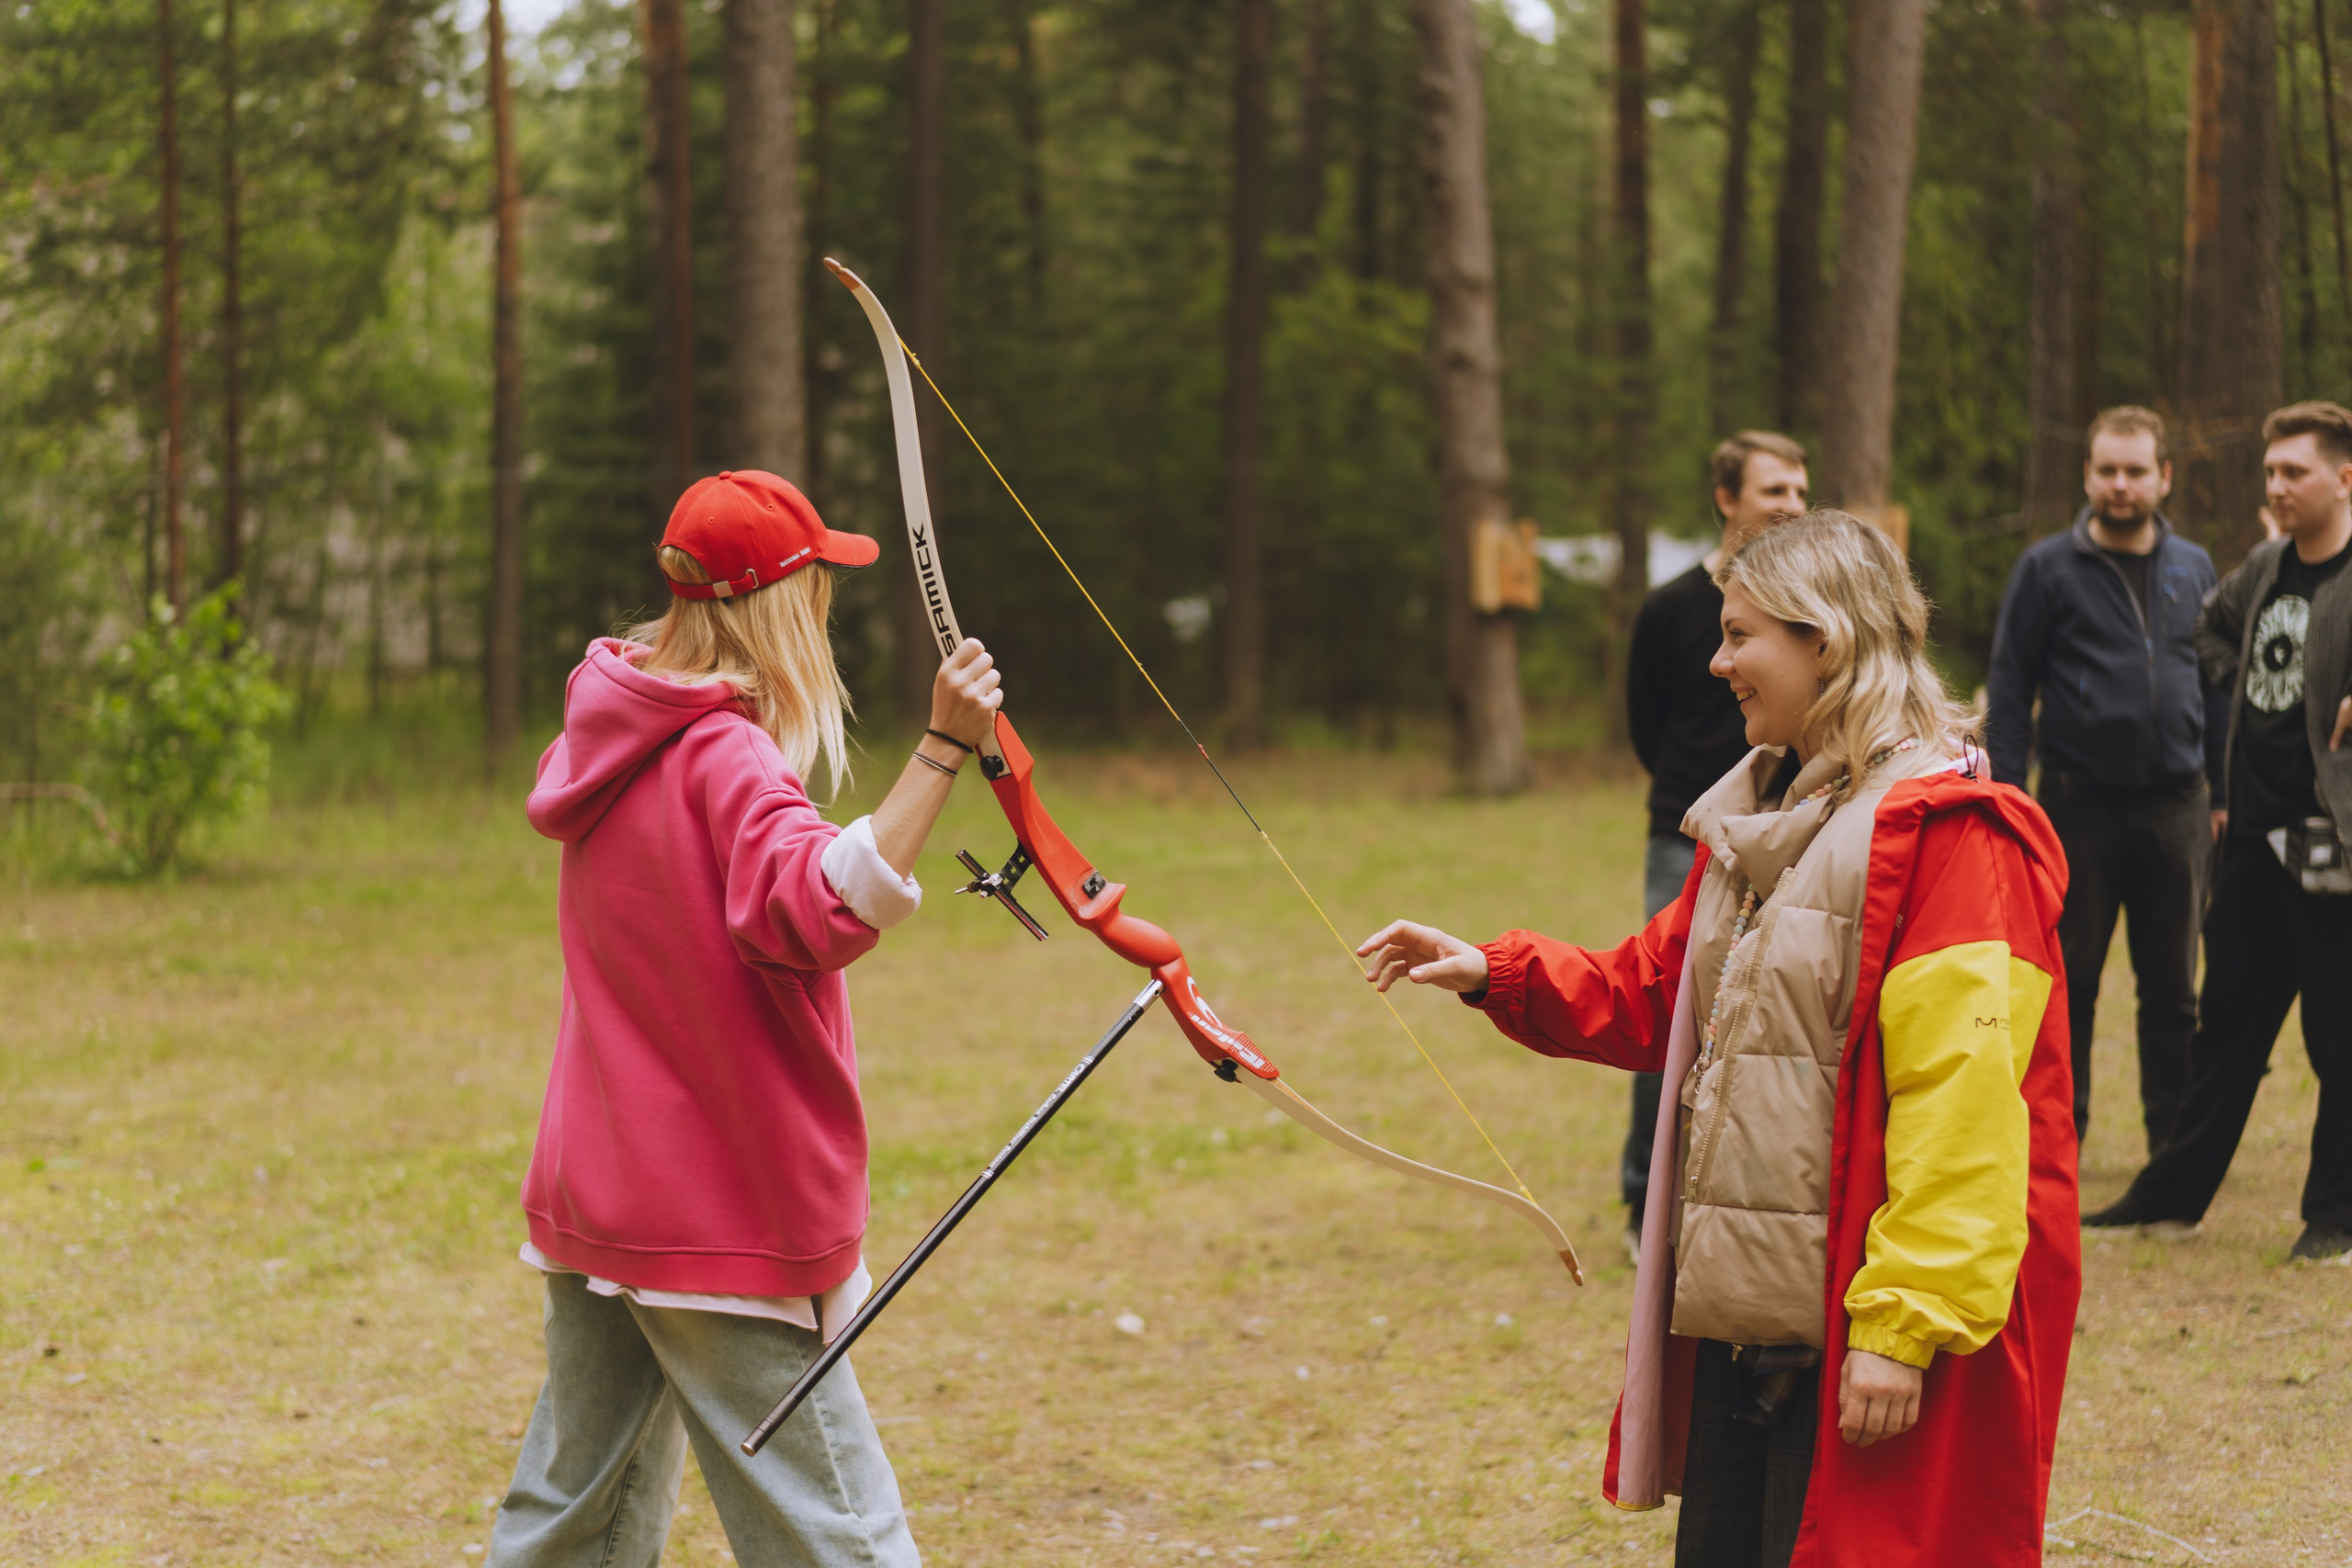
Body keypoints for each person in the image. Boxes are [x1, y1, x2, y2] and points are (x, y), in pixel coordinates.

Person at [1360, 512, 2077, 1567]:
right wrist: (1492, 969)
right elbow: (1654, 990)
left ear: (1823, 642)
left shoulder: (1952, 837)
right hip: (1758, 1320)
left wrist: (1900, 1328)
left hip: (1872, 1330)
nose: (1716, 659)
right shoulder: (1765, 818)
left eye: (1741, 636)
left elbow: (1962, 1110)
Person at [489, 469, 1001, 1567]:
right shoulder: (725, 755)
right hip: (715, 1213)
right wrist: (942, 748)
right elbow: (820, 905)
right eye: (815, 582)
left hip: (605, 1190)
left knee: (575, 1516)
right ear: (782, 602)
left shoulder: (611, 725)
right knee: (842, 1536)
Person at [2086, 401, 2352, 1262]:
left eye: (2294, 472)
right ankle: (2169, 1196)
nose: (2275, 486)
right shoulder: (2270, 563)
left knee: (2338, 1036)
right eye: (2270, 471)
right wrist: (2242, 681)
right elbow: (2208, 625)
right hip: (2252, 836)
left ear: (2344, 478)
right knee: (2226, 1026)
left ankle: (2335, 1218)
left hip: (2330, 837)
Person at [1985, 406, 2221, 1150]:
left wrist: (2224, 788)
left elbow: (2215, 681)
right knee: (2067, 982)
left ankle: (2172, 1151)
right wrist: (2009, 798)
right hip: (2074, 806)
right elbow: (2010, 683)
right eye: (2107, 471)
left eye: (2136, 471)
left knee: (2173, 988)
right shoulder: (2046, 568)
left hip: (2179, 805)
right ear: (2087, 475)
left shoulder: (2196, 567)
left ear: (2164, 477)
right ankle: (2059, 1142)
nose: (2120, 486)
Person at [1620, 432, 1810, 1260]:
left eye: (1801, 489)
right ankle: (1643, 1197)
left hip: (1787, 831)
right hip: (1686, 835)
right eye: (1774, 489)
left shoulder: (1807, 609)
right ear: (1726, 499)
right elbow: (1644, 721)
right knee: (1671, 1010)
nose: (1792, 504)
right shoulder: (1668, 607)